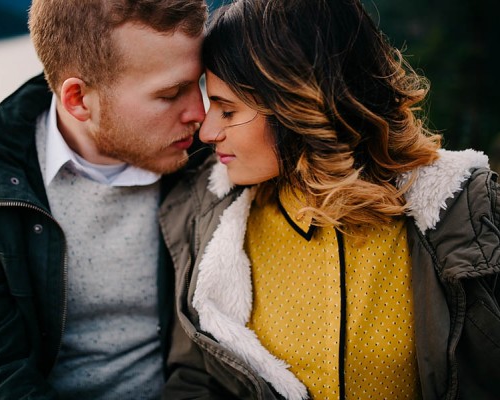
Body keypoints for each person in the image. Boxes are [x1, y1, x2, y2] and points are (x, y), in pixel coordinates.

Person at [159, 0, 500, 399]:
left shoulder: (463, 207)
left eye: (228, 110)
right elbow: (196, 381)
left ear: (299, 106)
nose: (207, 132)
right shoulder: (211, 224)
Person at [0, 0, 207, 398]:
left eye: (198, 84)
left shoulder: (214, 158)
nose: (200, 114)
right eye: (170, 94)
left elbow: (219, 362)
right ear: (77, 99)